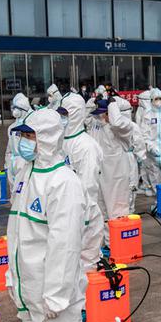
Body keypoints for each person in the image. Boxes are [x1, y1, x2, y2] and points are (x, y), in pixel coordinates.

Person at [5, 109, 86, 322]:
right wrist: (13, 277)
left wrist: (55, 295)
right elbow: (16, 230)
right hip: (28, 286)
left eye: (31, 136)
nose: (24, 143)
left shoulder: (63, 182)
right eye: (22, 136)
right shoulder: (27, 173)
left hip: (54, 293)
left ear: (49, 138)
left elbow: (65, 245)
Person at [58, 94, 103, 268]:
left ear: (76, 114)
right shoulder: (62, 142)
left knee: (86, 267)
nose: (62, 119)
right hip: (66, 214)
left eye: (65, 114)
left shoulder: (87, 146)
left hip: (84, 217)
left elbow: (88, 189)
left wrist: (81, 219)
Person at [93, 97, 139, 226]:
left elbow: (117, 123)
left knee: (117, 212)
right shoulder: (100, 126)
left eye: (106, 113)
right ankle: (109, 244)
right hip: (103, 175)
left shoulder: (124, 127)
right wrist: (91, 104)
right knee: (103, 211)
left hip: (117, 177)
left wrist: (112, 106)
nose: (102, 117)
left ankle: (118, 244)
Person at [139, 88, 161, 195]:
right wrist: (151, 147)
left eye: (160, 99)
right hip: (152, 152)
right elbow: (144, 134)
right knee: (154, 174)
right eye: (156, 99)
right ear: (151, 100)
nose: (158, 101)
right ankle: (159, 199)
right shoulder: (147, 114)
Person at [4, 93, 32, 195]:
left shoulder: (31, 126)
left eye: (17, 108)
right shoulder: (11, 128)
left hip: (25, 163)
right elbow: (9, 149)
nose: (14, 111)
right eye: (13, 107)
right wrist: (8, 165)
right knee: (14, 194)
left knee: (25, 193)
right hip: (13, 164)